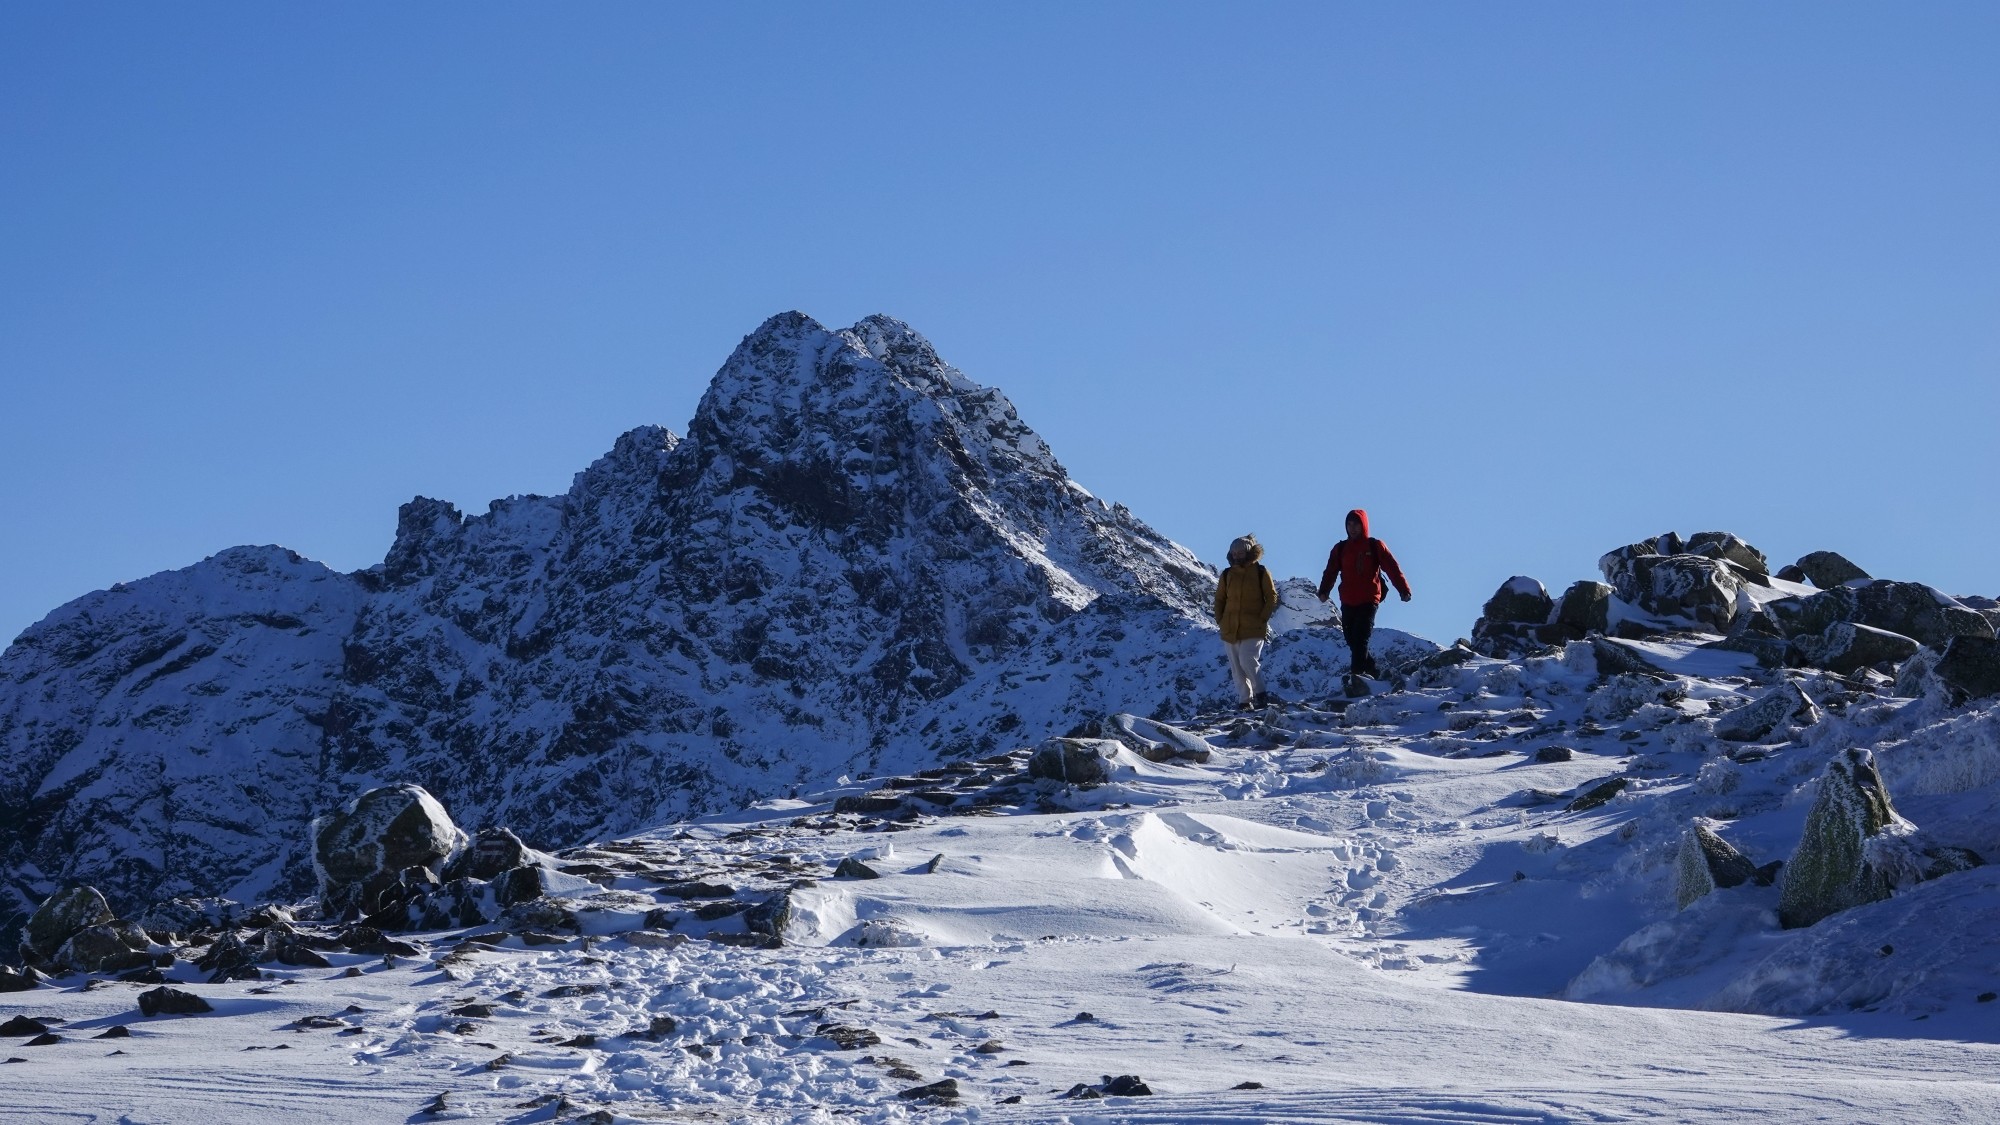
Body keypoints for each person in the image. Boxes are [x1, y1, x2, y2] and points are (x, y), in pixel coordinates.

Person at [1316, 509, 1411, 678]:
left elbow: (1392, 568)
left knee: (1360, 639)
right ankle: (1373, 671)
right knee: (1351, 640)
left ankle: (1356, 678)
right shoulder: (1340, 549)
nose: (1352, 528)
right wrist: (1324, 591)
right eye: (1349, 524)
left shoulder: (1375, 546)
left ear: (1364, 525)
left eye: (1356, 524)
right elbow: (1330, 571)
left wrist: (1403, 589)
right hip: (1347, 600)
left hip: (1369, 600)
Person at [1214, 534, 1279, 708]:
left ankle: (1260, 694)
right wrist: (1220, 619)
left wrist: (1262, 617)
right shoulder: (1227, 574)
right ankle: (1244, 701)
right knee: (1236, 668)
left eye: (1240, 552)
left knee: (1247, 660)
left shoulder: (1261, 572)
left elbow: (1271, 596)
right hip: (1230, 628)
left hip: (1253, 626)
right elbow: (1220, 599)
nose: (1236, 556)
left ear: (1249, 552)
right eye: (1233, 553)